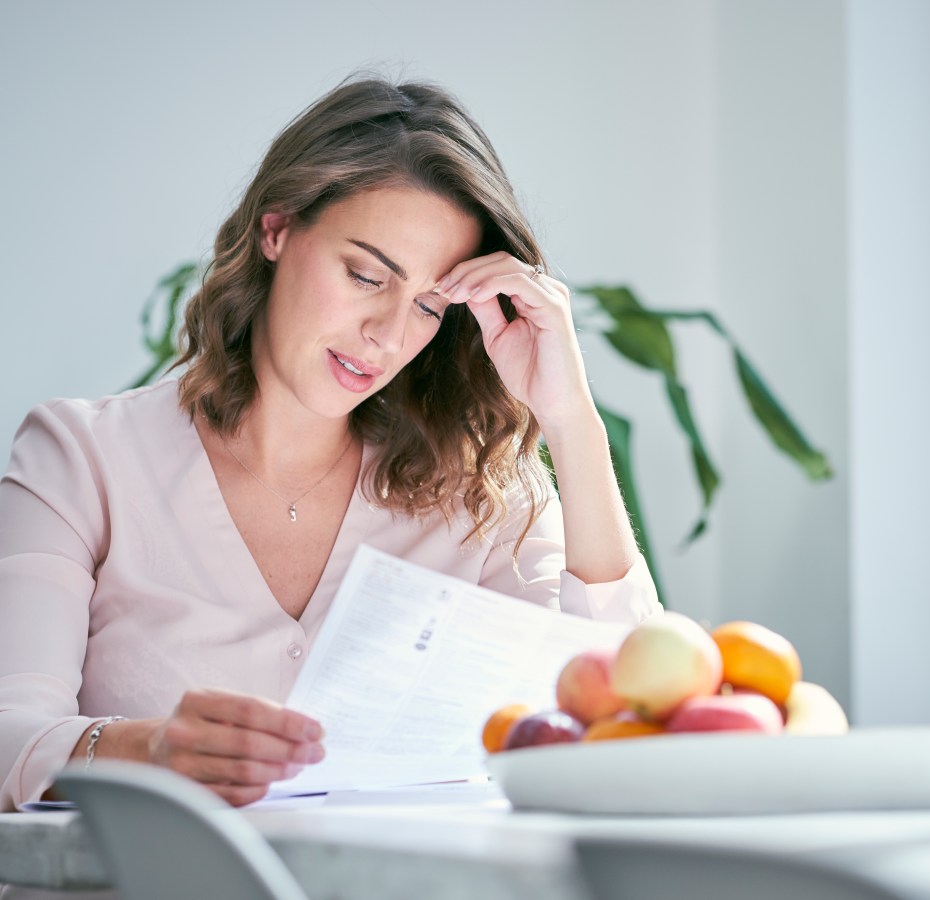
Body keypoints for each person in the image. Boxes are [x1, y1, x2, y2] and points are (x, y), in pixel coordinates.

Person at [0, 77, 661, 812]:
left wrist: (572, 423)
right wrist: (143, 749)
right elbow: (8, 734)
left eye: (429, 305)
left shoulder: (483, 493)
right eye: (365, 275)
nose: (387, 333)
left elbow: (623, 705)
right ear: (276, 229)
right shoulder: (81, 458)